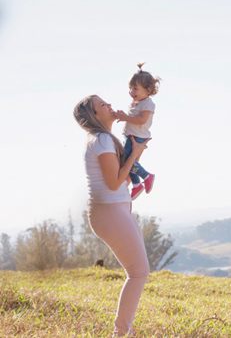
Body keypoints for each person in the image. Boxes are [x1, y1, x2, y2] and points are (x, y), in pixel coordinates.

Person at [74, 95, 150, 337]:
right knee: (138, 272)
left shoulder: (101, 140)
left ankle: (126, 331)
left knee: (137, 271)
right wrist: (135, 153)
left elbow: (120, 181)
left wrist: (133, 156)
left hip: (114, 211)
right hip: (109, 214)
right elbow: (115, 180)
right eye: (102, 105)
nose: (108, 105)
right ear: (95, 116)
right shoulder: (103, 140)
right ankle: (121, 333)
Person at [116, 62, 159, 200]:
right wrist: (124, 116)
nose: (132, 92)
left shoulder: (148, 104)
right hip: (129, 135)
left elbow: (141, 120)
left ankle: (146, 176)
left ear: (148, 90)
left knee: (128, 161)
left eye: (135, 89)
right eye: (130, 88)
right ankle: (136, 184)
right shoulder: (136, 103)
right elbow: (133, 118)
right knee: (126, 161)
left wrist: (125, 117)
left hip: (137, 136)